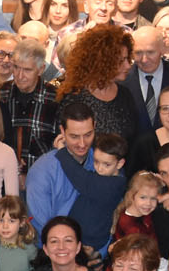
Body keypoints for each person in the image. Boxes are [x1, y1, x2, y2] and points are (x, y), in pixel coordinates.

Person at [25, 102, 124, 249]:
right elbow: (41, 227)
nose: (82, 144)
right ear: (62, 131)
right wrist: (74, 252)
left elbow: (114, 215)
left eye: (88, 135)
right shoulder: (42, 170)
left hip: (97, 250)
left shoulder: (106, 163)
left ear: (95, 127)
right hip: (55, 252)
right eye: (74, 136)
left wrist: (100, 252)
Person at [58, 24, 138, 145]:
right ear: (102, 62)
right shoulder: (74, 97)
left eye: (128, 59)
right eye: (121, 61)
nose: (127, 66)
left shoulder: (125, 94)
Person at [118, 26, 169, 138]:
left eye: (150, 52)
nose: (144, 59)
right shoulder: (122, 81)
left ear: (162, 49)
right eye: (138, 53)